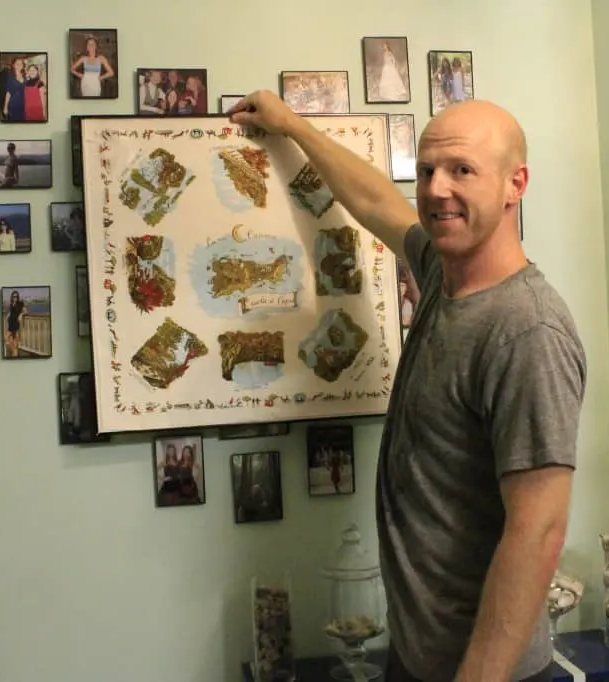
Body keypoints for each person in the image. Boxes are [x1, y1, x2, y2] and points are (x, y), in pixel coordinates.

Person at [229, 92, 586, 682]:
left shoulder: (527, 330)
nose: (437, 188)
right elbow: (373, 200)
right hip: (418, 657)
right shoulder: (443, 271)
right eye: (427, 171)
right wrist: (291, 126)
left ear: (514, 184)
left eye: (462, 170)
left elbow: (539, 531)